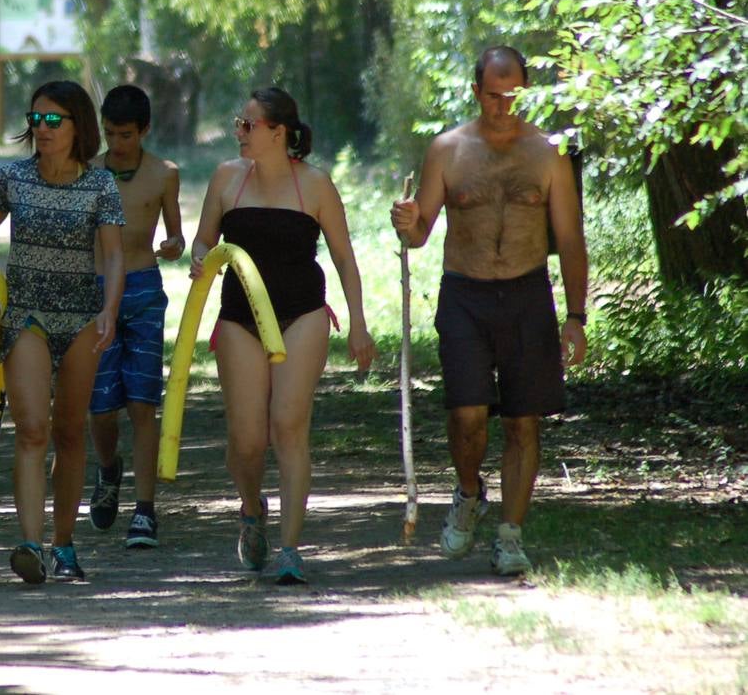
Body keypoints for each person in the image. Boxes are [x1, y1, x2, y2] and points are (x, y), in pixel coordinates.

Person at [390, 45, 587, 577]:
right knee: (467, 414)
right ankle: (469, 490)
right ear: (476, 91)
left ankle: (509, 533)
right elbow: (421, 233)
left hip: (527, 296)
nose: (503, 105)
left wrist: (576, 316)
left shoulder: (549, 152)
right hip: (466, 295)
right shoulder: (448, 150)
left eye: (513, 95)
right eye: (493, 95)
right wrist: (407, 222)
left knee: (524, 423)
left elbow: (569, 237)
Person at [191, 87, 375, 585]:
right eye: (239, 123)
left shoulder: (315, 185)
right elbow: (206, 238)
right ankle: (252, 510)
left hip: (303, 315)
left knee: (288, 424)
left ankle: (291, 548)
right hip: (240, 317)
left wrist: (357, 322)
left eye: (248, 125)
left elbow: (343, 258)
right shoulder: (227, 178)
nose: (239, 132)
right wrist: (200, 255)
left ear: (279, 133)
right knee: (247, 440)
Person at [0, 80, 126, 584]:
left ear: (78, 128)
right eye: (36, 119)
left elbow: (113, 254)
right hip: (25, 315)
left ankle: (63, 544)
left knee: (70, 433)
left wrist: (110, 309)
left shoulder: (100, 186)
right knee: (32, 429)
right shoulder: (12, 179)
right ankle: (29, 543)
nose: (42, 129)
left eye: (54, 120)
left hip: (83, 320)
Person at [85, 84, 184, 549]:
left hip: (144, 289)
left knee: (144, 403)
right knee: (100, 406)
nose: (116, 144)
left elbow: (176, 234)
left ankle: (145, 511)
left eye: (125, 134)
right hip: (95, 292)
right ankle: (108, 470)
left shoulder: (164, 174)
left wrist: (173, 246)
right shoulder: (88, 171)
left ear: (144, 130)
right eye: (109, 134)